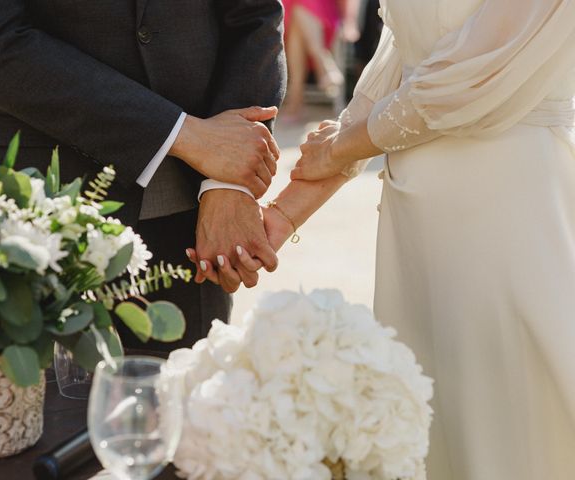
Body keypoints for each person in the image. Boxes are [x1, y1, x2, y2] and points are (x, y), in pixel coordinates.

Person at [193, 0, 575, 477]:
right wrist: (286, 215)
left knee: (505, 423)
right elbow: (402, 64)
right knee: (428, 419)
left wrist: (336, 149)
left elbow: (467, 78)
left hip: (507, 211)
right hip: (415, 225)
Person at [0, 0, 286, 359]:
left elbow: (254, 16)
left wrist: (227, 181)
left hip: (194, 224)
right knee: (39, 412)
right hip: (38, 219)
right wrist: (185, 136)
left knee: (182, 410)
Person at [281, 0, 347, 121]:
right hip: (292, 19)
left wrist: (351, 21)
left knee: (298, 11)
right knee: (296, 15)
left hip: (323, 17)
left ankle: (295, 100)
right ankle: (324, 64)